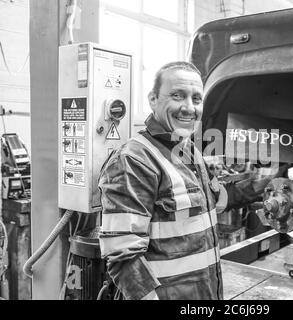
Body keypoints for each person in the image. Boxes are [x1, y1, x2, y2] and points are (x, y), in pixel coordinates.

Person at [98, 61, 277, 300]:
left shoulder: (188, 151)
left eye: (196, 99)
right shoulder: (133, 160)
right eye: (177, 96)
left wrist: (268, 178)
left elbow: (216, 201)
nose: (189, 108)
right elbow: (123, 257)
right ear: (153, 99)